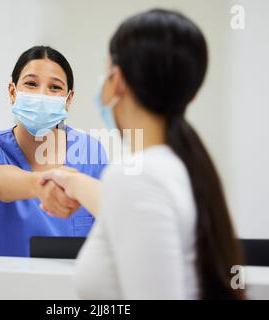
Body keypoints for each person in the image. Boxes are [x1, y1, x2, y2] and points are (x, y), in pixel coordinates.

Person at [40, 10, 245, 299]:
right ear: (191, 94)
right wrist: (71, 181)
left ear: (117, 80)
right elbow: (127, 211)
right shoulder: (178, 167)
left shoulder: (136, 177)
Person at [0, 46, 107, 257]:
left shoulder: (90, 151)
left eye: (54, 87)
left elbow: (106, 225)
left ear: (68, 99)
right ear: (12, 91)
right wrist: (42, 185)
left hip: (67, 287)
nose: (42, 95)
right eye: (31, 84)